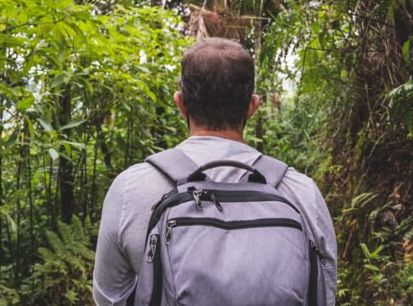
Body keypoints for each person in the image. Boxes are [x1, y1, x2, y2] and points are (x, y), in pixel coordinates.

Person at [93, 38, 337, 305]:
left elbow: (109, 297)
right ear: (252, 107)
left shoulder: (131, 188)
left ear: (181, 104)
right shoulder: (302, 193)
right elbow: (323, 294)